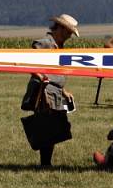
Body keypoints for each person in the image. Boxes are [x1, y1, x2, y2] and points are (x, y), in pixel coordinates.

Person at [20, 14, 80, 167]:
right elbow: (30, 65)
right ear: (59, 28)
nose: (68, 36)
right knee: (47, 126)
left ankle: (46, 162)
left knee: (53, 127)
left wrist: (63, 90)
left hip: (56, 91)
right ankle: (45, 163)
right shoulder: (44, 43)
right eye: (67, 32)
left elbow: (56, 73)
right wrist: (42, 82)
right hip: (45, 91)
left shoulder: (60, 47)